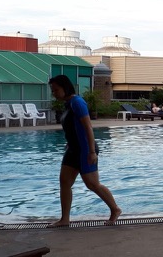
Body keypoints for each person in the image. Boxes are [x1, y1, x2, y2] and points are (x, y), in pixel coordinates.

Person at [48, 74, 121, 227]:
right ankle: (64, 219)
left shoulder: (77, 102)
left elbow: (88, 127)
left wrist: (92, 151)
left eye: (55, 90)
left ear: (65, 87)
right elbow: (73, 128)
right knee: (64, 182)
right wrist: (69, 143)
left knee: (92, 184)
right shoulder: (68, 104)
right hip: (73, 149)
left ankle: (115, 209)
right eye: (52, 90)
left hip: (85, 150)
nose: (53, 93)